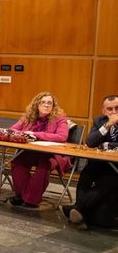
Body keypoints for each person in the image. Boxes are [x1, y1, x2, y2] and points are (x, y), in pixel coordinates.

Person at [63, 95, 118, 229]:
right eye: (109, 109)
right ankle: (80, 211)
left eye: (117, 108)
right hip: (101, 162)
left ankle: (77, 208)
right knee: (86, 173)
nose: (114, 112)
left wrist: (105, 145)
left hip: (115, 167)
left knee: (110, 178)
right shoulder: (100, 121)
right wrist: (108, 124)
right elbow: (91, 142)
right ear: (104, 111)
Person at [7, 92, 70, 209]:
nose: (46, 105)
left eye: (49, 103)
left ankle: (31, 200)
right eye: (43, 102)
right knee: (17, 161)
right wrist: (25, 133)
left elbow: (62, 137)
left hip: (51, 153)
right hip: (30, 151)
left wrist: (36, 134)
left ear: (53, 106)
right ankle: (21, 195)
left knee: (44, 166)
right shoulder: (28, 117)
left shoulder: (59, 118)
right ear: (37, 104)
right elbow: (12, 130)